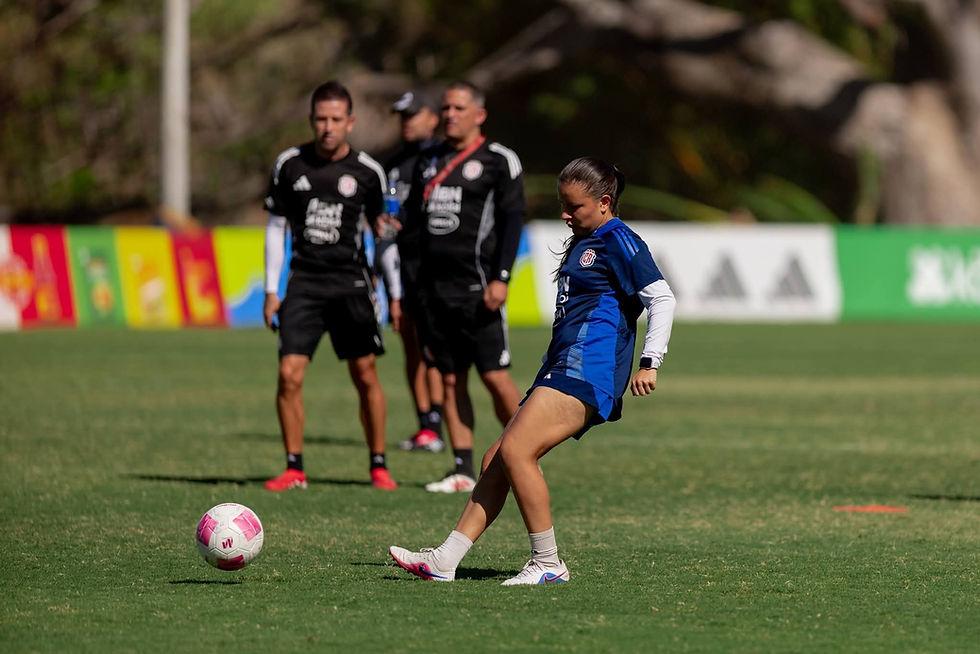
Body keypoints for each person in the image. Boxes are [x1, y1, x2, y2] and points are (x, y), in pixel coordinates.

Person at [389, 156, 676, 584]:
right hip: (561, 366)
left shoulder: (620, 239)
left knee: (517, 452)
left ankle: (547, 563)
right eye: (563, 204)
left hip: (588, 369)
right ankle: (445, 560)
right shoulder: (586, 237)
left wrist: (651, 361)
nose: (565, 214)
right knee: (496, 458)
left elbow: (662, 298)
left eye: (573, 206)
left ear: (603, 202)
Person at [262, 80, 399, 491]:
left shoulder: (369, 172)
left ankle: (378, 464)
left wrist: (394, 292)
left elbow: (385, 233)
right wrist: (272, 289)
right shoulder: (289, 165)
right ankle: (294, 467)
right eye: (321, 118)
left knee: (365, 373)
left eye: (336, 119)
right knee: (289, 374)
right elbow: (275, 228)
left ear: (350, 122)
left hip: (352, 283)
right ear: (311, 120)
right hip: (303, 282)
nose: (327, 126)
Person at [402, 80, 526, 493]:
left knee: (494, 376)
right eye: (446, 108)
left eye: (458, 108)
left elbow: (512, 223)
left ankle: (525, 453)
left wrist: (501, 277)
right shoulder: (428, 160)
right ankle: (461, 468)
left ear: (479, 114)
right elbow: (413, 222)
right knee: (451, 378)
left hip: (479, 289)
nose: (450, 115)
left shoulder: (498, 160)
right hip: (434, 292)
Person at [378, 90, 447, 453]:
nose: (406, 121)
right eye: (402, 115)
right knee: (410, 344)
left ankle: (439, 419)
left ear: (432, 118)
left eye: (413, 115)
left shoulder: (441, 157)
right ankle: (425, 423)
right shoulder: (392, 163)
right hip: (402, 269)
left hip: (434, 269)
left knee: (435, 348)